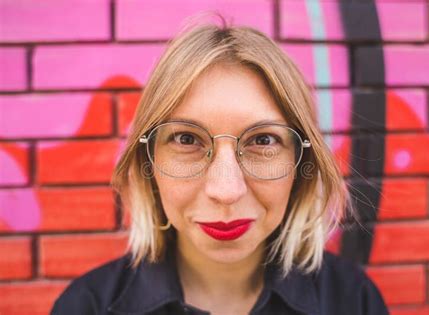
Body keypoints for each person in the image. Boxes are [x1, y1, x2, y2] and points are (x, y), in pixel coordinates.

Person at [51, 20, 389, 315]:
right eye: (186, 139)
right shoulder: (87, 306)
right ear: (148, 163)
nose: (226, 191)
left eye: (263, 141)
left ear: (301, 162)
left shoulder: (353, 301)